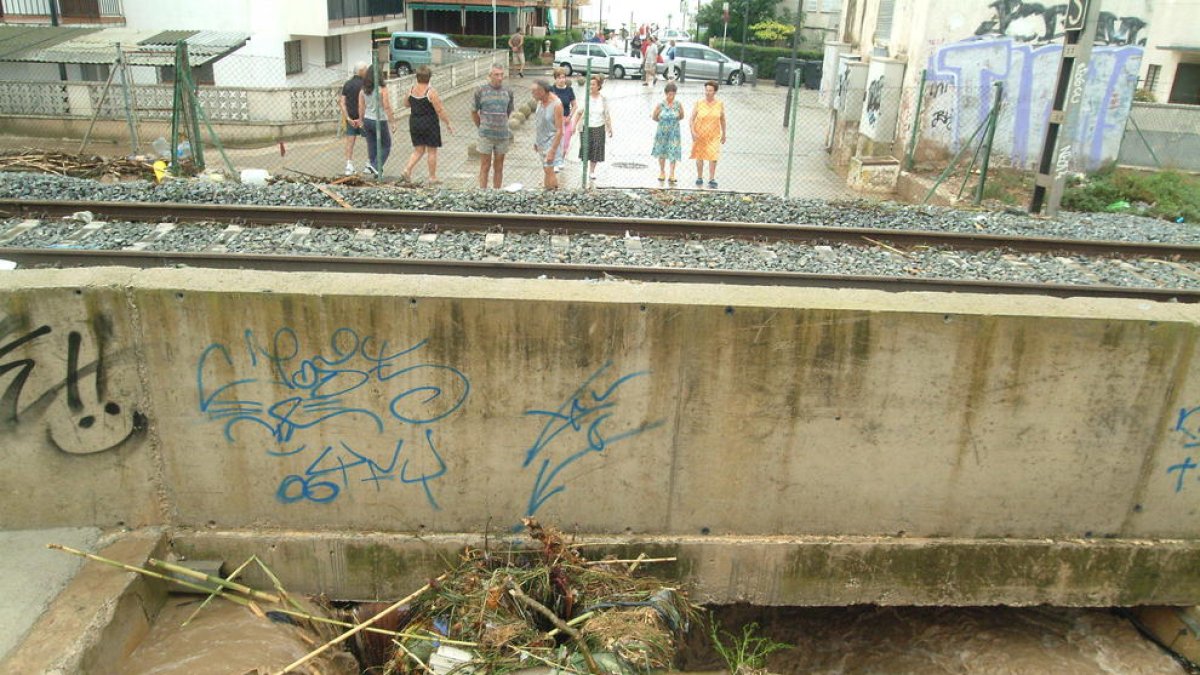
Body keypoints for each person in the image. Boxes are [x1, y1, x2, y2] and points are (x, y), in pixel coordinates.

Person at [401, 65, 455, 184]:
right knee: (432, 151)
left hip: (414, 122)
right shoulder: (431, 92)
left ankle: (407, 169)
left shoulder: (411, 90)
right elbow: (439, 110)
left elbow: (406, 104)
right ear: (429, 77)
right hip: (429, 123)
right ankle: (432, 177)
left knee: (418, 150)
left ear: (417, 77)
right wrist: (448, 123)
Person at [472, 64, 515, 189]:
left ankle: (497, 192)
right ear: (490, 76)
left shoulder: (508, 91)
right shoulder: (480, 91)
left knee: (499, 166)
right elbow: (474, 111)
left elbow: (508, 111)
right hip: (486, 134)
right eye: (496, 75)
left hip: (502, 135)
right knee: (485, 165)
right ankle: (483, 192)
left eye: (502, 74)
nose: (500, 77)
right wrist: (481, 126)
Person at [357, 65, 395, 178]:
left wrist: (360, 120)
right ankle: (374, 166)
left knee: (372, 144)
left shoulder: (363, 90)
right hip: (380, 120)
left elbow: (361, 106)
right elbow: (386, 106)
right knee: (386, 145)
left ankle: (376, 171)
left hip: (367, 119)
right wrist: (392, 122)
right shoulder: (382, 89)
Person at [573, 75, 612, 183]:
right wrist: (574, 126)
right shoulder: (586, 98)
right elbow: (579, 113)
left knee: (596, 150)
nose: (591, 86)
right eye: (590, 84)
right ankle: (585, 170)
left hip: (599, 127)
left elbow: (607, 114)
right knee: (586, 149)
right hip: (586, 127)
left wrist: (609, 128)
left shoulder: (603, 99)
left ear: (599, 86)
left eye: (593, 84)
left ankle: (592, 171)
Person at [689, 80, 726, 189]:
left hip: (714, 134)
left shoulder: (720, 104)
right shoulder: (699, 103)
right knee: (700, 156)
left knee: (713, 156)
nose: (707, 92)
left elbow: (723, 120)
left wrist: (724, 134)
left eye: (710, 90)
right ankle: (699, 177)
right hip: (700, 133)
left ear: (715, 92)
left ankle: (711, 178)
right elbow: (691, 119)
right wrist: (692, 132)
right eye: (706, 90)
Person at [531, 80, 564, 190]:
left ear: (542, 91)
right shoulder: (540, 101)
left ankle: (554, 196)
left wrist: (552, 150)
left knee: (549, 170)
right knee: (546, 170)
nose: (532, 94)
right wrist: (537, 141)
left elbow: (560, 130)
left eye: (534, 92)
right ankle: (547, 194)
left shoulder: (556, 105)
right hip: (541, 141)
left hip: (552, 142)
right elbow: (539, 122)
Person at [651, 81, 684, 185]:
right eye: (669, 94)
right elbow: (654, 117)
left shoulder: (678, 104)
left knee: (673, 151)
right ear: (666, 93)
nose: (671, 96)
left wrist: (673, 121)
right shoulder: (661, 104)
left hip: (674, 133)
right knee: (662, 151)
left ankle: (672, 174)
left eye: (673, 93)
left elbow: (682, 116)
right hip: (662, 132)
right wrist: (663, 122)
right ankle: (662, 172)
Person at [338, 62, 367, 175]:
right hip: (363, 118)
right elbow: (364, 103)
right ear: (361, 71)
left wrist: (348, 118)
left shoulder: (347, 84)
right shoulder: (365, 85)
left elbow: (342, 102)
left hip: (351, 118)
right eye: (365, 70)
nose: (366, 72)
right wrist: (361, 118)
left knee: (350, 142)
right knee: (370, 141)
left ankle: (349, 165)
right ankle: (370, 164)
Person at [551, 67, 576, 173]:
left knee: (565, 143)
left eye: (563, 77)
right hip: (555, 120)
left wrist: (570, 117)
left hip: (566, 119)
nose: (562, 80)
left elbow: (575, 105)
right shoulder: (552, 89)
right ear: (555, 79)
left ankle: (561, 159)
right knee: (556, 141)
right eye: (559, 78)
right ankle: (555, 162)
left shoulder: (569, 90)